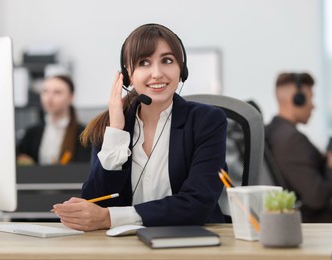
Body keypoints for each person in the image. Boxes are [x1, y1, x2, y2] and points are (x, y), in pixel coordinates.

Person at [52, 23, 228, 231]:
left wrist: (111, 218)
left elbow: (198, 205)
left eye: (167, 60)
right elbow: (95, 204)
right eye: (144, 62)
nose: (157, 73)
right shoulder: (110, 125)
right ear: (128, 74)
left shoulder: (207, 121)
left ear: (182, 69)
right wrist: (116, 133)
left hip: (195, 240)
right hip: (128, 247)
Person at [265, 72, 332, 255]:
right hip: (319, 225)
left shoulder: (277, 132)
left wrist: (325, 164)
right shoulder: (291, 140)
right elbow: (317, 197)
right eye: (310, 99)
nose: (313, 105)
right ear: (296, 99)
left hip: (312, 221)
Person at [17, 75, 91, 165]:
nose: (49, 97)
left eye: (57, 92)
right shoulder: (32, 133)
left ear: (71, 97)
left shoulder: (84, 134)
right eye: (45, 91)